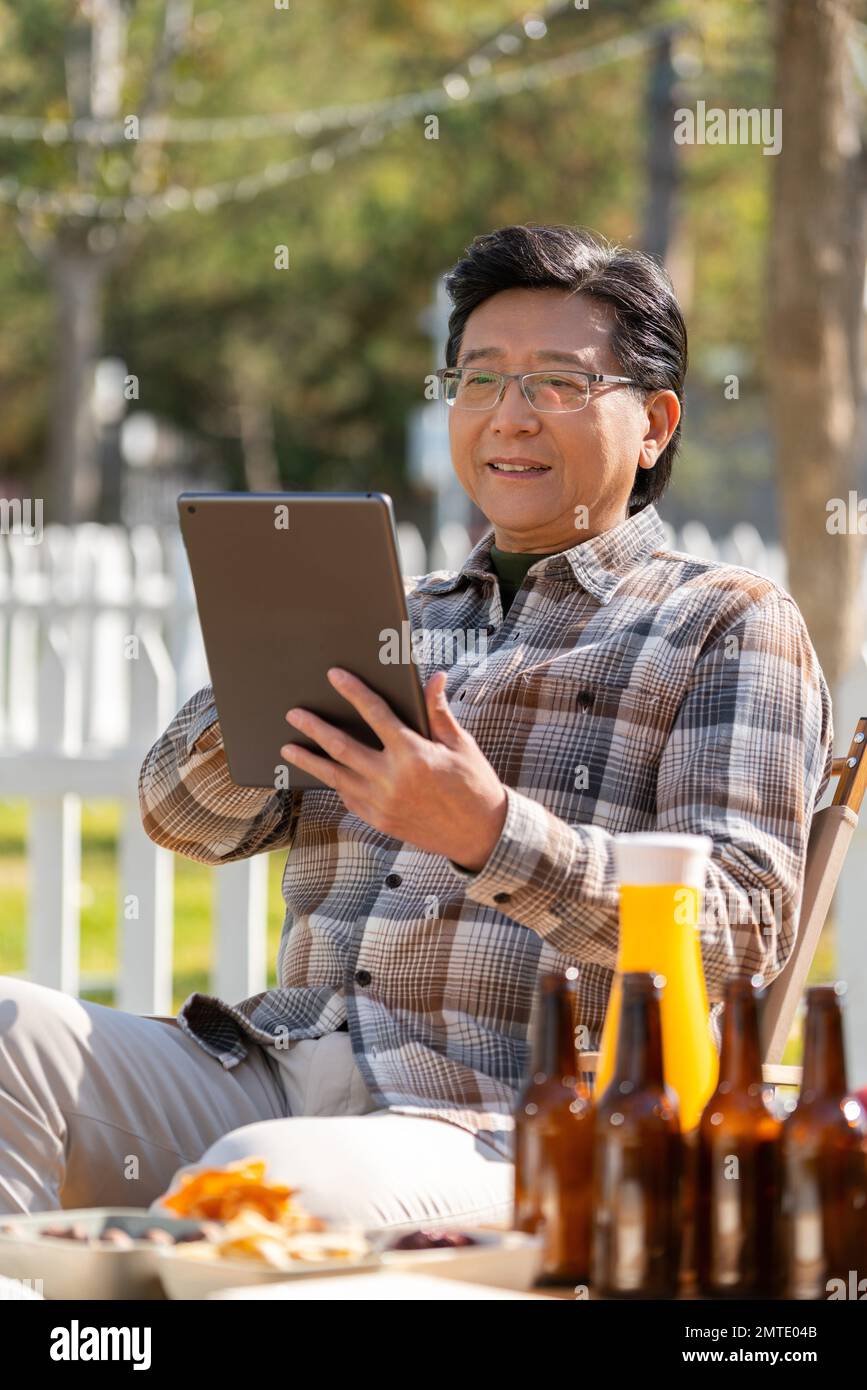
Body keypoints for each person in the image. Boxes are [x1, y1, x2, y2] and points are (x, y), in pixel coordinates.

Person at [0, 224, 833, 1233]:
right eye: (478, 381)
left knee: (264, 1181)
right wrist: (266, 679)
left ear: (654, 422)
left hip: (512, 1119)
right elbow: (183, 820)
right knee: (11, 1032)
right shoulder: (392, 614)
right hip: (275, 1069)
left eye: (558, 383)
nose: (508, 417)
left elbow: (740, 933)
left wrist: (492, 835)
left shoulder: (727, 623)